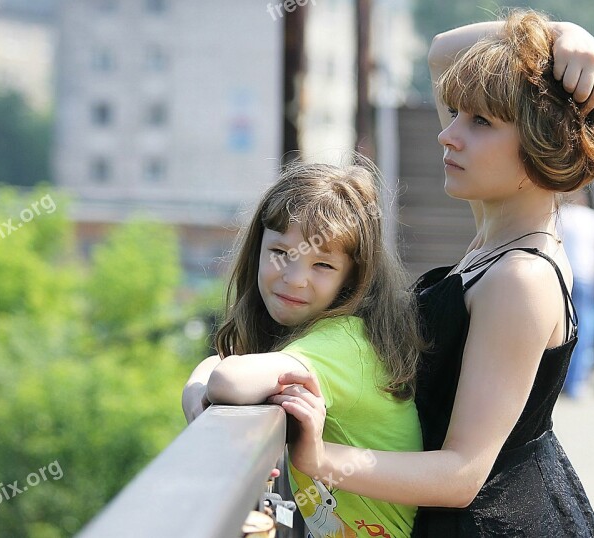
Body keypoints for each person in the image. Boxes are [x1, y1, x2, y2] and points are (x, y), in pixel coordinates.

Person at [268, 10, 594, 537]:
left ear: (540, 143)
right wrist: (555, 35)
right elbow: (441, 52)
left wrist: (321, 458)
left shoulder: (520, 278)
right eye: (456, 112)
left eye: (480, 122)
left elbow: (463, 473)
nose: (447, 135)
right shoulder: (499, 228)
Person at [181, 158, 425, 538]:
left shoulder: (343, 343)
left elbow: (229, 378)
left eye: (323, 265)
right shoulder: (337, 336)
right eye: (281, 253)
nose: (295, 280)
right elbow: (226, 364)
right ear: (257, 249)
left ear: (352, 279)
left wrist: (197, 385)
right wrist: (199, 378)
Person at [559, 192, 594, 399]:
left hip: (565, 276)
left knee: (562, 328)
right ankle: (577, 382)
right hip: (587, 277)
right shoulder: (593, 217)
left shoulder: (561, 214)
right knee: (585, 327)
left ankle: (558, 380)